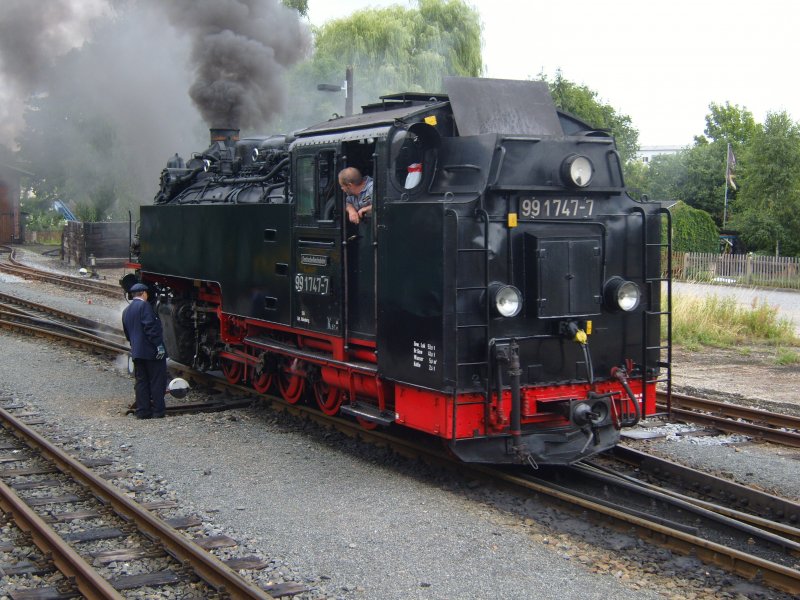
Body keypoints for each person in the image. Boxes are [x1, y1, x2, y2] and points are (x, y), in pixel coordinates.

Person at [122, 283, 167, 419]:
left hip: (137, 352)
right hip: (151, 352)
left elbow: (127, 333)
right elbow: (150, 328)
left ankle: (143, 411)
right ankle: (158, 411)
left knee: (141, 381)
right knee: (157, 381)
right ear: (143, 293)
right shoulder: (144, 306)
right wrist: (159, 346)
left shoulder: (126, 310)